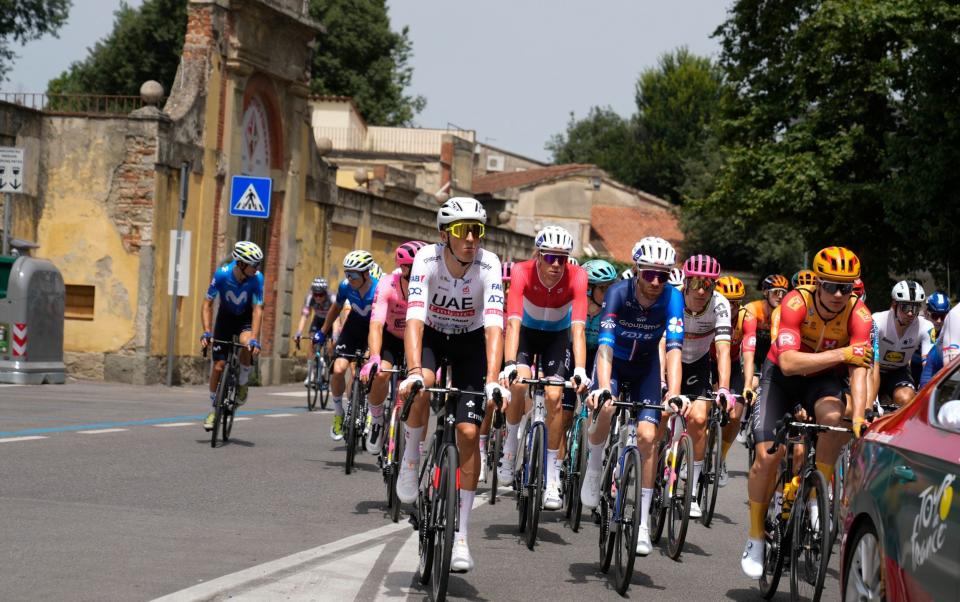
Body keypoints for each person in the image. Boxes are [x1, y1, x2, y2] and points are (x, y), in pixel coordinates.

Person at [741, 246, 872, 579]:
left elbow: (859, 369)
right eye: (830, 285)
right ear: (817, 284)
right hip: (781, 378)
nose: (839, 294)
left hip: (821, 381)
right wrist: (845, 352)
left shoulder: (860, 315)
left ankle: (815, 492)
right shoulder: (795, 303)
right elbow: (788, 361)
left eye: (846, 287)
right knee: (769, 457)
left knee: (836, 419)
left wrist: (858, 416)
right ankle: (756, 536)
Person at [396, 197, 510, 572]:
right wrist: (413, 370)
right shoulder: (426, 261)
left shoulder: (489, 264)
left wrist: (493, 380)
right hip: (431, 336)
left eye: (477, 230)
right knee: (423, 385)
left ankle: (460, 536)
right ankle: (411, 462)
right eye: (463, 231)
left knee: (467, 431)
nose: (472, 239)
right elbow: (413, 319)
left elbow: (495, 325)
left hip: (470, 344)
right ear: (445, 234)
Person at [581, 236, 685, 556]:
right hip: (614, 363)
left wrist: (676, 394)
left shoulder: (672, 298)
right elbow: (606, 346)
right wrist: (601, 388)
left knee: (648, 435)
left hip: (645, 369)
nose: (655, 282)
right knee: (608, 409)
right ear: (637, 270)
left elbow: (673, 350)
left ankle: (640, 524)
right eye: (649, 274)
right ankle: (596, 465)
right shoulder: (618, 293)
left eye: (663, 275)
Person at [498, 226, 590, 511]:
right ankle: (510, 447)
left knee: (553, 397)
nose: (556, 264)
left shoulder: (577, 276)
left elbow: (578, 328)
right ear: (538, 255)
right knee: (518, 384)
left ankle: (552, 479)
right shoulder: (522, 271)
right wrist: (510, 363)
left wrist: (581, 369)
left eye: (562, 258)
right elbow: (512, 322)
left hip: (556, 338)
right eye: (550, 257)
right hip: (525, 332)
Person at [676, 254, 733, 517]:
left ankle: (692, 489)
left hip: (697, 363)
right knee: (663, 415)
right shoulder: (673, 299)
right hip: (669, 359)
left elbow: (722, 350)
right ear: (686, 281)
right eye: (697, 282)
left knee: (699, 419)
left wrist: (723, 388)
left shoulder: (719, 305)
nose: (701, 290)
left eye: (708, 284)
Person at [359, 241, 427, 453]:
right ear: (404, 267)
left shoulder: (429, 285)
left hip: (417, 341)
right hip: (391, 337)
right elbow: (376, 325)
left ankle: (417, 444)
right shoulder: (387, 284)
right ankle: (377, 418)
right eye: (414, 267)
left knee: (424, 390)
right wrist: (374, 357)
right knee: (380, 374)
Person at [200, 241, 264, 431]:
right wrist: (206, 331)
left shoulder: (257, 278)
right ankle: (213, 409)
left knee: (246, 345)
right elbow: (207, 305)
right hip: (225, 319)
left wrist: (254, 337)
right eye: (254, 264)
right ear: (242, 264)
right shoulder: (222, 274)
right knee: (218, 366)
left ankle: (243, 381)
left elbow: (257, 309)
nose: (257, 268)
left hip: (244, 319)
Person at [317, 250, 380, 440]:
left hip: (373, 330)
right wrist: (323, 331)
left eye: (353, 274)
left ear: (365, 274)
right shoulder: (346, 286)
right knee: (338, 369)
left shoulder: (379, 289)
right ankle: (338, 413)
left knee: (373, 372)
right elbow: (336, 309)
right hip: (352, 329)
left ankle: (371, 415)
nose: (349, 278)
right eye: (347, 273)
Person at [870, 280, 934, 406]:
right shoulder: (877, 321)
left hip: (899, 371)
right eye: (905, 307)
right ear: (894, 305)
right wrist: (872, 401)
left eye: (915, 308)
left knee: (906, 398)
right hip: (875, 369)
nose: (910, 313)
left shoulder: (925, 327)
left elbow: (928, 366)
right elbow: (872, 364)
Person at [714, 275, 749, 486]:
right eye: (727, 302)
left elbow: (750, 354)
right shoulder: (710, 311)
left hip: (732, 363)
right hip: (706, 362)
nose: (731, 308)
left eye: (736, 303)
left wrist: (747, 385)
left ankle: (721, 458)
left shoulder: (746, 318)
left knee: (736, 413)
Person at [741, 274, 789, 396]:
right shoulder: (752, 308)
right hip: (753, 350)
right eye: (776, 292)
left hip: (772, 352)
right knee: (753, 382)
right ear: (765, 292)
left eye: (784, 293)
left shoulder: (786, 311)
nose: (780, 296)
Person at [294, 277, 333, 384]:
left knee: (331, 345)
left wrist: (335, 335)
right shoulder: (310, 297)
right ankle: (311, 373)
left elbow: (337, 318)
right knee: (312, 341)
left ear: (325, 293)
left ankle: (328, 365)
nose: (318, 297)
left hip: (331, 322)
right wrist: (298, 332)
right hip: (318, 320)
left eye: (321, 295)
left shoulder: (332, 298)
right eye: (316, 294)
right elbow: (305, 316)